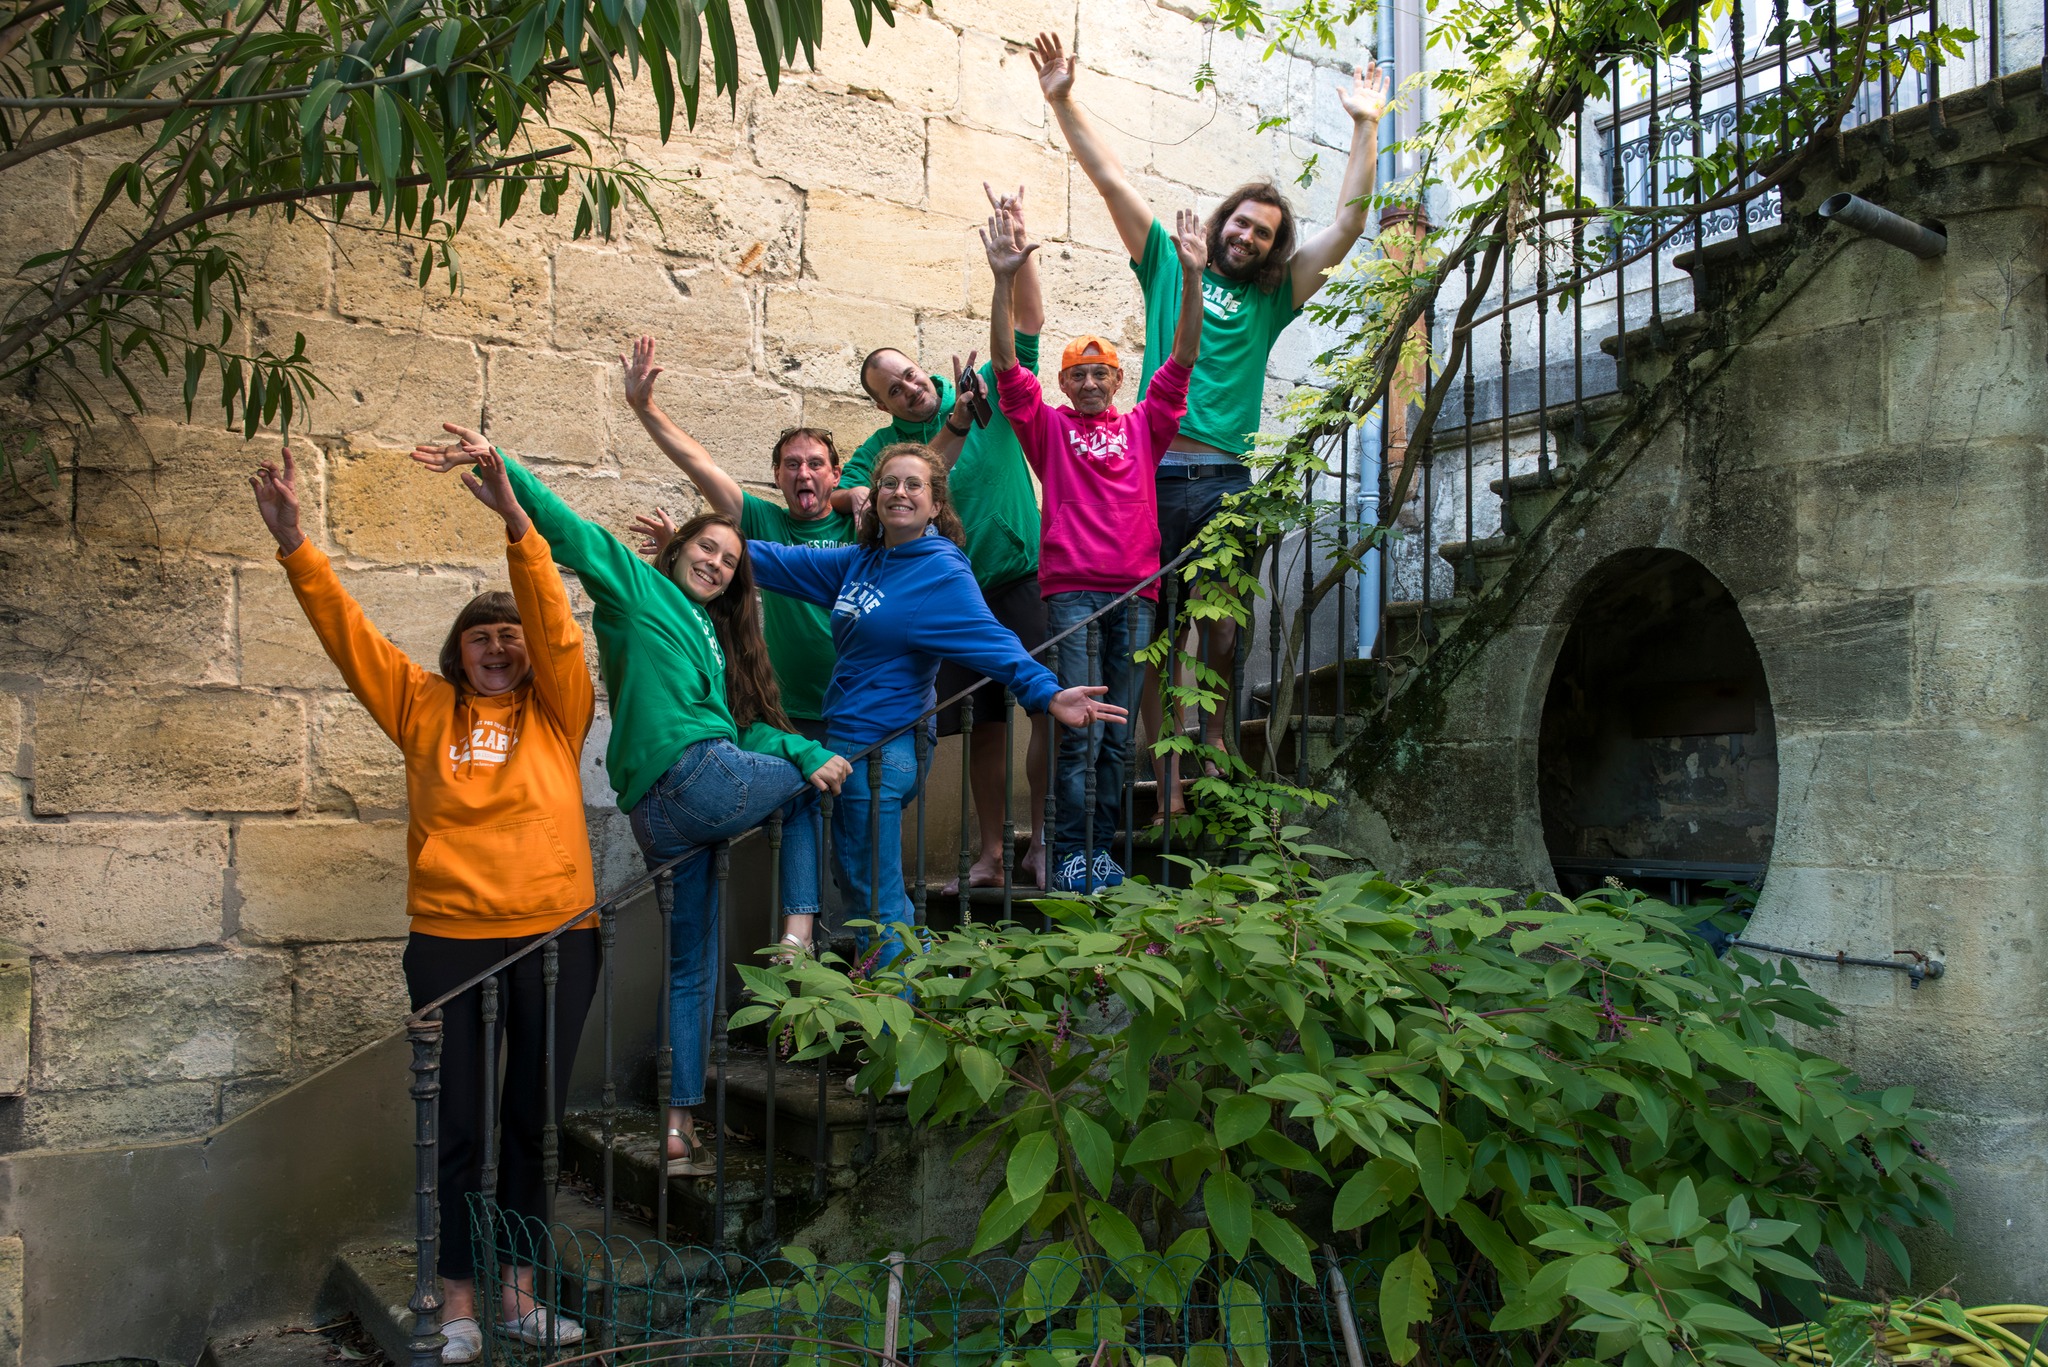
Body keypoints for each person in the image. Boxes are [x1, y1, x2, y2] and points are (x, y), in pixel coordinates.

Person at [410, 429, 850, 1186]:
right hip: (696, 778)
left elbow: (739, 724)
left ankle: (677, 1127)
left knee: (690, 966)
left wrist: (796, 749)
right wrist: (500, 464)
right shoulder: (636, 589)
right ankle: (798, 938)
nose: (716, 563)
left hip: (660, 808)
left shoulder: (711, 637)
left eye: (730, 562)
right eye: (707, 550)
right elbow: (572, 530)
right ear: (676, 550)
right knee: (814, 783)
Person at [250, 441, 595, 1358]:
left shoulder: (559, 711)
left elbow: (556, 625)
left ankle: (518, 1294)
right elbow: (350, 636)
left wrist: (519, 526)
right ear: (455, 654)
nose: (497, 646)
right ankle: (455, 1302)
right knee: (456, 1129)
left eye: (509, 636)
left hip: (559, 935)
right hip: (449, 938)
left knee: (532, 1121)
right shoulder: (418, 706)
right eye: (480, 637)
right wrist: (297, 548)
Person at [1032, 33, 1389, 815]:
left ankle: (1216, 741)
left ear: (1271, 246)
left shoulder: (1273, 297)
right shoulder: (1167, 260)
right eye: (1242, 222)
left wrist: (1365, 125)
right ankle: (1164, 785)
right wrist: (1062, 99)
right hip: (1151, 479)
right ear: (1222, 220)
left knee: (1221, 631)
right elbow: (1109, 178)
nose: (1248, 236)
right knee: (1154, 633)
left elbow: (1349, 226)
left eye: (1263, 232)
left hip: (1225, 477)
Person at [746, 444, 1126, 987]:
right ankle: (914, 999)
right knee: (861, 885)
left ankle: (899, 1046)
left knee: (873, 895)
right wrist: (714, 552)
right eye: (889, 484)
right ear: (873, 498)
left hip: (883, 752)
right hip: (853, 746)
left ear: (935, 503)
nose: (899, 492)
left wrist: (1048, 693)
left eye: (913, 485)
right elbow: (780, 561)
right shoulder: (864, 561)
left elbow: (996, 640)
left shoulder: (940, 571)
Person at [839, 184, 1055, 890]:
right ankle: (992, 851)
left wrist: (1017, 256)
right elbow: (855, 495)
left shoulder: (986, 381)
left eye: (907, 374)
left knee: (1044, 708)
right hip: (949, 595)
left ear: (920, 366)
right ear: (881, 406)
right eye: (892, 391)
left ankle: (1042, 839)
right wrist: (949, 427)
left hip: (1022, 577)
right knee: (985, 726)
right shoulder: (884, 446)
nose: (907, 389)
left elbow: (1028, 320)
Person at [984, 202, 1205, 892]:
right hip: (1071, 593)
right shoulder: (1045, 429)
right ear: (1062, 383)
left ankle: (1100, 849)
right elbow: (1002, 365)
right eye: (1075, 373)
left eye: (1099, 372)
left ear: (1116, 379)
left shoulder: (1144, 424)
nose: (1087, 381)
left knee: (1116, 733)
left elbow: (1184, 358)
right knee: (1078, 729)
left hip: (1136, 593)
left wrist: (1192, 279)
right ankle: (1071, 850)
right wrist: (1003, 280)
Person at [620, 335, 854, 745]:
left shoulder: (862, 525)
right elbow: (699, 464)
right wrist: (645, 407)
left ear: (836, 474)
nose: (804, 473)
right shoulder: (763, 521)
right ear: (778, 477)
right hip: (789, 710)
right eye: (792, 464)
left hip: (857, 705)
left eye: (816, 464)